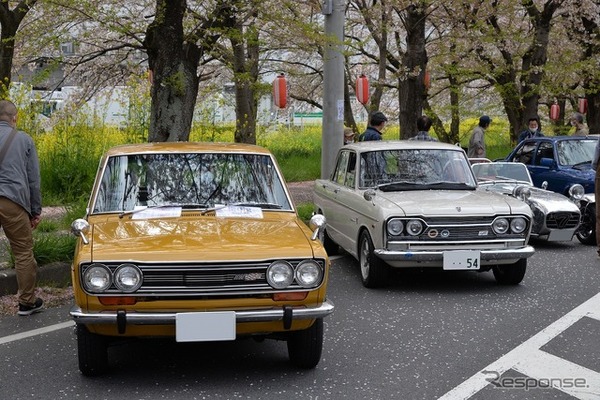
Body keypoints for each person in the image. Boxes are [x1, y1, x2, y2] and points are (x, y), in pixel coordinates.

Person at [0, 100, 43, 316]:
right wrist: (35, 211)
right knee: (23, 252)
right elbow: (33, 179)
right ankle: (26, 302)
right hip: (13, 201)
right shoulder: (24, 139)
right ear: (14, 118)